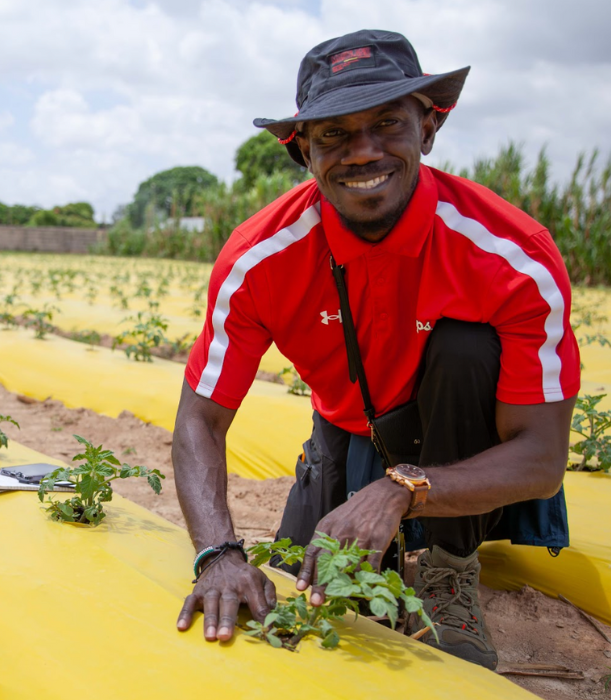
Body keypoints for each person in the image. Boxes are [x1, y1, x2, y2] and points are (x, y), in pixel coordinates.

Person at [171, 29, 579, 671]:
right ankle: (348, 486)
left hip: (466, 431)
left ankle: (449, 570)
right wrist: (218, 554)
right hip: (348, 424)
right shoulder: (260, 257)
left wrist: (404, 489)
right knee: (308, 589)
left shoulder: (511, 255)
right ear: (302, 149)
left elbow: (541, 457)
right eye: (333, 134)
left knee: (467, 348)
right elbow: (201, 417)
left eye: (388, 123)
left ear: (429, 129)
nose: (364, 152)